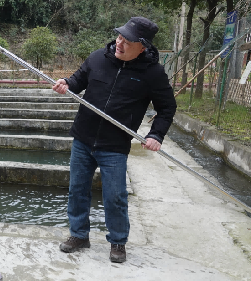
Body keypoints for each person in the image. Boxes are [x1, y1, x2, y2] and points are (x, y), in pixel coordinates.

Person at [52, 16, 177, 263]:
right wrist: (66, 83)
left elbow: (167, 108)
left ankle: (118, 241)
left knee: (115, 195)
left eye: (127, 41)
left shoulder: (152, 73)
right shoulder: (99, 57)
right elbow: (78, 81)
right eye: (119, 36)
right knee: (77, 190)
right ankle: (79, 235)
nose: (119, 43)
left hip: (115, 145)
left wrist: (156, 135)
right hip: (83, 137)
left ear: (142, 46)